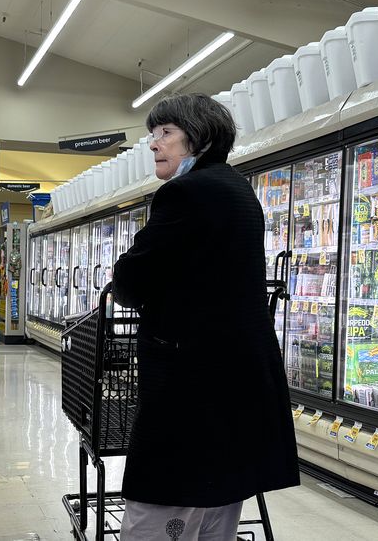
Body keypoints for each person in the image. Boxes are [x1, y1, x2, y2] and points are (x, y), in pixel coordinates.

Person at [112, 93, 299, 540]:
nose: (154, 144)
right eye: (153, 135)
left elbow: (131, 280)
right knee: (217, 506)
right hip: (235, 380)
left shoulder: (185, 191)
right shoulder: (238, 189)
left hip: (190, 382)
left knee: (162, 503)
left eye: (165, 133)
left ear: (198, 138)